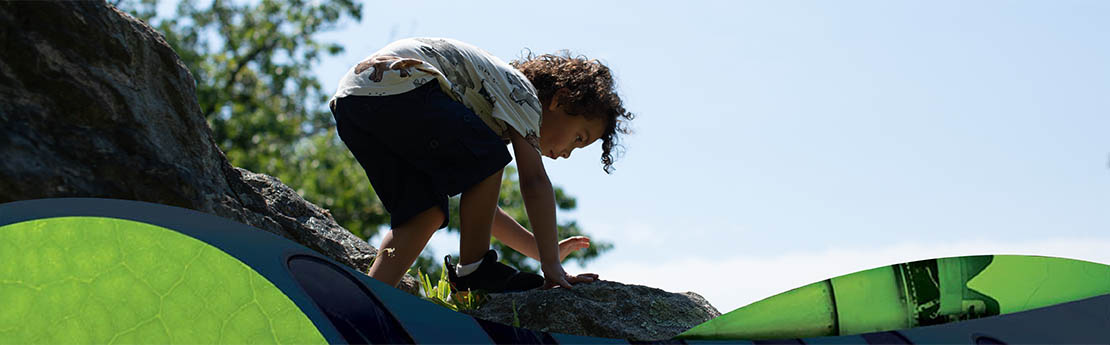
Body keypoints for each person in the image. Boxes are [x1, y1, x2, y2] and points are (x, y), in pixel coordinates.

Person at [328, 37, 633, 293]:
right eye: (579, 138)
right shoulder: (524, 96)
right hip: (401, 87)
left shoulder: (492, 110)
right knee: (488, 159)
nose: (568, 153)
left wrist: (541, 248)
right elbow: (534, 183)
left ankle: (371, 296)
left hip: (355, 102)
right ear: (560, 100)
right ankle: (473, 272)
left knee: (424, 214)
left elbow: (486, 213)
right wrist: (551, 265)